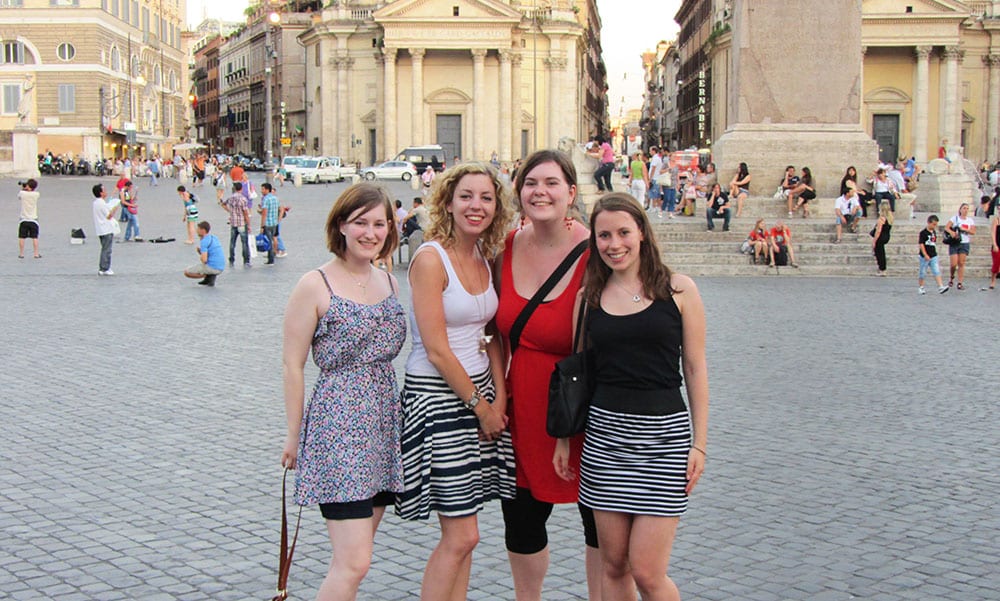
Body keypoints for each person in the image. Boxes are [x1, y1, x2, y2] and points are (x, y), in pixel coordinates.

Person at [553, 193, 708, 601]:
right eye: (604, 235)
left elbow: (694, 367)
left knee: (648, 571)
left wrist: (700, 444)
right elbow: (578, 372)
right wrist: (565, 440)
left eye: (623, 232)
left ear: (642, 232)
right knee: (614, 565)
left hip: (664, 438)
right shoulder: (588, 297)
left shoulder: (680, 290)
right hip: (606, 440)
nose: (614, 243)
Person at [396, 162, 515, 601]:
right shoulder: (431, 258)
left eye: (486, 197)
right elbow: (437, 348)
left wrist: (498, 395)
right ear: (447, 201)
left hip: (479, 393)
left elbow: (491, 331)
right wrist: (482, 407)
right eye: (466, 196)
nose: (476, 206)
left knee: (470, 534)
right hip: (440, 399)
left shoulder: (484, 255)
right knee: (461, 535)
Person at [281, 183, 405, 600]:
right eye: (360, 223)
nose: (371, 233)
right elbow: (292, 365)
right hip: (338, 426)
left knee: (352, 560)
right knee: (355, 561)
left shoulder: (389, 281)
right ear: (341, 225)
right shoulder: (314, 284)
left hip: (383, 427)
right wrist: (294, 434)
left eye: (379, 223)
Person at [494, 150, 600, 601]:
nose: (540, 191)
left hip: (584, 408)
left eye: (552, 182)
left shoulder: (598, 250)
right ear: (518, 194)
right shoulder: (505, 247)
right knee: (521, 519)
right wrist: (497, 397)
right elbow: (493, 334)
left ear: (571, 193)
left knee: (599, 523)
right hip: (524, 406)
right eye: (530, 182)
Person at [220, 182, 252, 268]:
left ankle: (231, 259)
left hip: (233, 223)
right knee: (244, 243)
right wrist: (249, 224)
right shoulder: (243, 199)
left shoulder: (230, 198)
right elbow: (245, 213)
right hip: (241, 223)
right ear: (241, 189)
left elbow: (223, 204)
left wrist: (230, 211)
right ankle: (246, 261)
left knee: (232, 242)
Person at [183, 221, 225, 286]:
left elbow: (204, 260)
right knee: (205, 264)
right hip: (221, 266)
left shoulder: (204, 241)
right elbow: (211, 253)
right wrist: (201, 252)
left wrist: (201, 254)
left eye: (198, 229)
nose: (197, 231)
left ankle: (208, 275)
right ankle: (209, 277)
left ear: (203, 230)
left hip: (213, 267)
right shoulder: (214, 237)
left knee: (187, 272)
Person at [91, 183, 120, 276]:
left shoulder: (96, 203)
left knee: (104, 248)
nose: (106, 191)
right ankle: (104, 268)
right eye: (104, 190)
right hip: (106, 229)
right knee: (107, 250)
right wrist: (115, 207)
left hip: (100, 229)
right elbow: (108, 216)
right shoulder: (101, 203)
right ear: (100, 193)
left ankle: (103, 267)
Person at [945, 203, 975, 289]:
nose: (965, 210)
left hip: (964, 242)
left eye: (967, 209)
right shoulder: (955, 218)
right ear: (960, 209)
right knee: (953, 264)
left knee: (961, 263)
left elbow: (973, 231)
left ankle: (960, 282)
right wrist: (952, 232)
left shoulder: (970, 221)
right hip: (955, 242)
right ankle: (951, 276)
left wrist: (965, 229)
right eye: (964, 208)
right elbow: (947, 227)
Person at [917, 215, 948, 295]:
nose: (935, 226)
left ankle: (940, 286)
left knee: (936, 271)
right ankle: (921, 287)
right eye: (933, 224)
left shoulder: (933, 232)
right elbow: (921, 244)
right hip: (925, 256)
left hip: (933, 254)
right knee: (922, 272)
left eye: (936, 224)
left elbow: (933, 242)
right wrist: (925, 254)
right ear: (929, 223)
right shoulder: (923, 233)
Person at [17, 178, 41, 259]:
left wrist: (23, 188)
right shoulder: (36, 194)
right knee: (35, 237)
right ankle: (36, 253)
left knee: (21, 237)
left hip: (23, 219)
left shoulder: (22, 193)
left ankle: (21, 253)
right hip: (33, 219)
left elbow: (19, 196)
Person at [259, 182, 280, 266]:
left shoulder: (266, 199)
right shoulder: (275, 198)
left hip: (268, 223)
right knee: (273, 238)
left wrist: (262, 226)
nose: (261, 191)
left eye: (262, 189)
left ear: (267, 189)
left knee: (268, 241)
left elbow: (264, 213)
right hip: (274, 223)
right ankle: (273, 254)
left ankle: (270, 259)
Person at [871, 201, 893, 276]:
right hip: (886, 236)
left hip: (880, 237)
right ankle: (883, 269)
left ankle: (882, 269)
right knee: (882, 253)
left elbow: (878, 231)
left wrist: (874, 241)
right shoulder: (890, 218)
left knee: (879, 254)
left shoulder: (881, 219)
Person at [985, 208, 1000, 291]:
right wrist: (994, 244)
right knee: (996, 264)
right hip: (997, 244)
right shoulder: (996, 220)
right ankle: (993, 281)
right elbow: (993, 232)